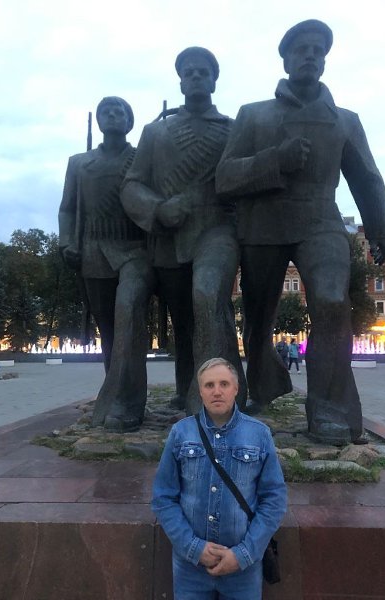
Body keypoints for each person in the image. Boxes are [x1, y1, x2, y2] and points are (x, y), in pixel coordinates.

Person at [216, 20, 385, 445]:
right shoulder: (253, 114)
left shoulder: (345, 120)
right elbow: (224, 178)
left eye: (318, 50)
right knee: (258, 318)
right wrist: (276, 159)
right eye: (302, 49)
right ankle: (264, 385)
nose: (311, 55)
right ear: (286, 60)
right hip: (263, 225)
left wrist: (378, 231)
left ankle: (329, 410)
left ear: (325, 61)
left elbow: (367, 178)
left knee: (332, 302)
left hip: (320, 222)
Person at [121, 47, 247, 414]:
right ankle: (187, 390)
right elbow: (132, 184)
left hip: (217, 228)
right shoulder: (155, 132)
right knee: (184, 318)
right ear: (180, 82)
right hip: (170, 236)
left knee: (208, 295)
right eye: (188, 72)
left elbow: (246, 179)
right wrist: (158, 208)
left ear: (213, 81)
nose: (195, 77)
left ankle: (215, 401)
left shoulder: (233, 130)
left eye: (202, 72)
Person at [152, 357, 287, 600]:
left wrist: (243, 554)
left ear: (236, 389)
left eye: (224, 384)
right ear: (200, 392)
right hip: (190, 568)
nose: (217, 391)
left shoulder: (259, 434)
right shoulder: (181, 433)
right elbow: (163, 497)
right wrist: (193, 547)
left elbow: (274, 500)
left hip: (242, 569)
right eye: (209, 385)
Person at [58, 97, 155, 432]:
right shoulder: (79, 163)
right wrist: (67, 242)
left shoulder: (142, 157)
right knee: (110, 329)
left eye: (120, 111)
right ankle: (117, 395)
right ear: (99, 121)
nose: (113, 115)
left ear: (130, 121)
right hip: (94, 252)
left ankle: (129, 400)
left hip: (135, 250)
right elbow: (67, 208)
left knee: (128, 313)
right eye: (106, 112)